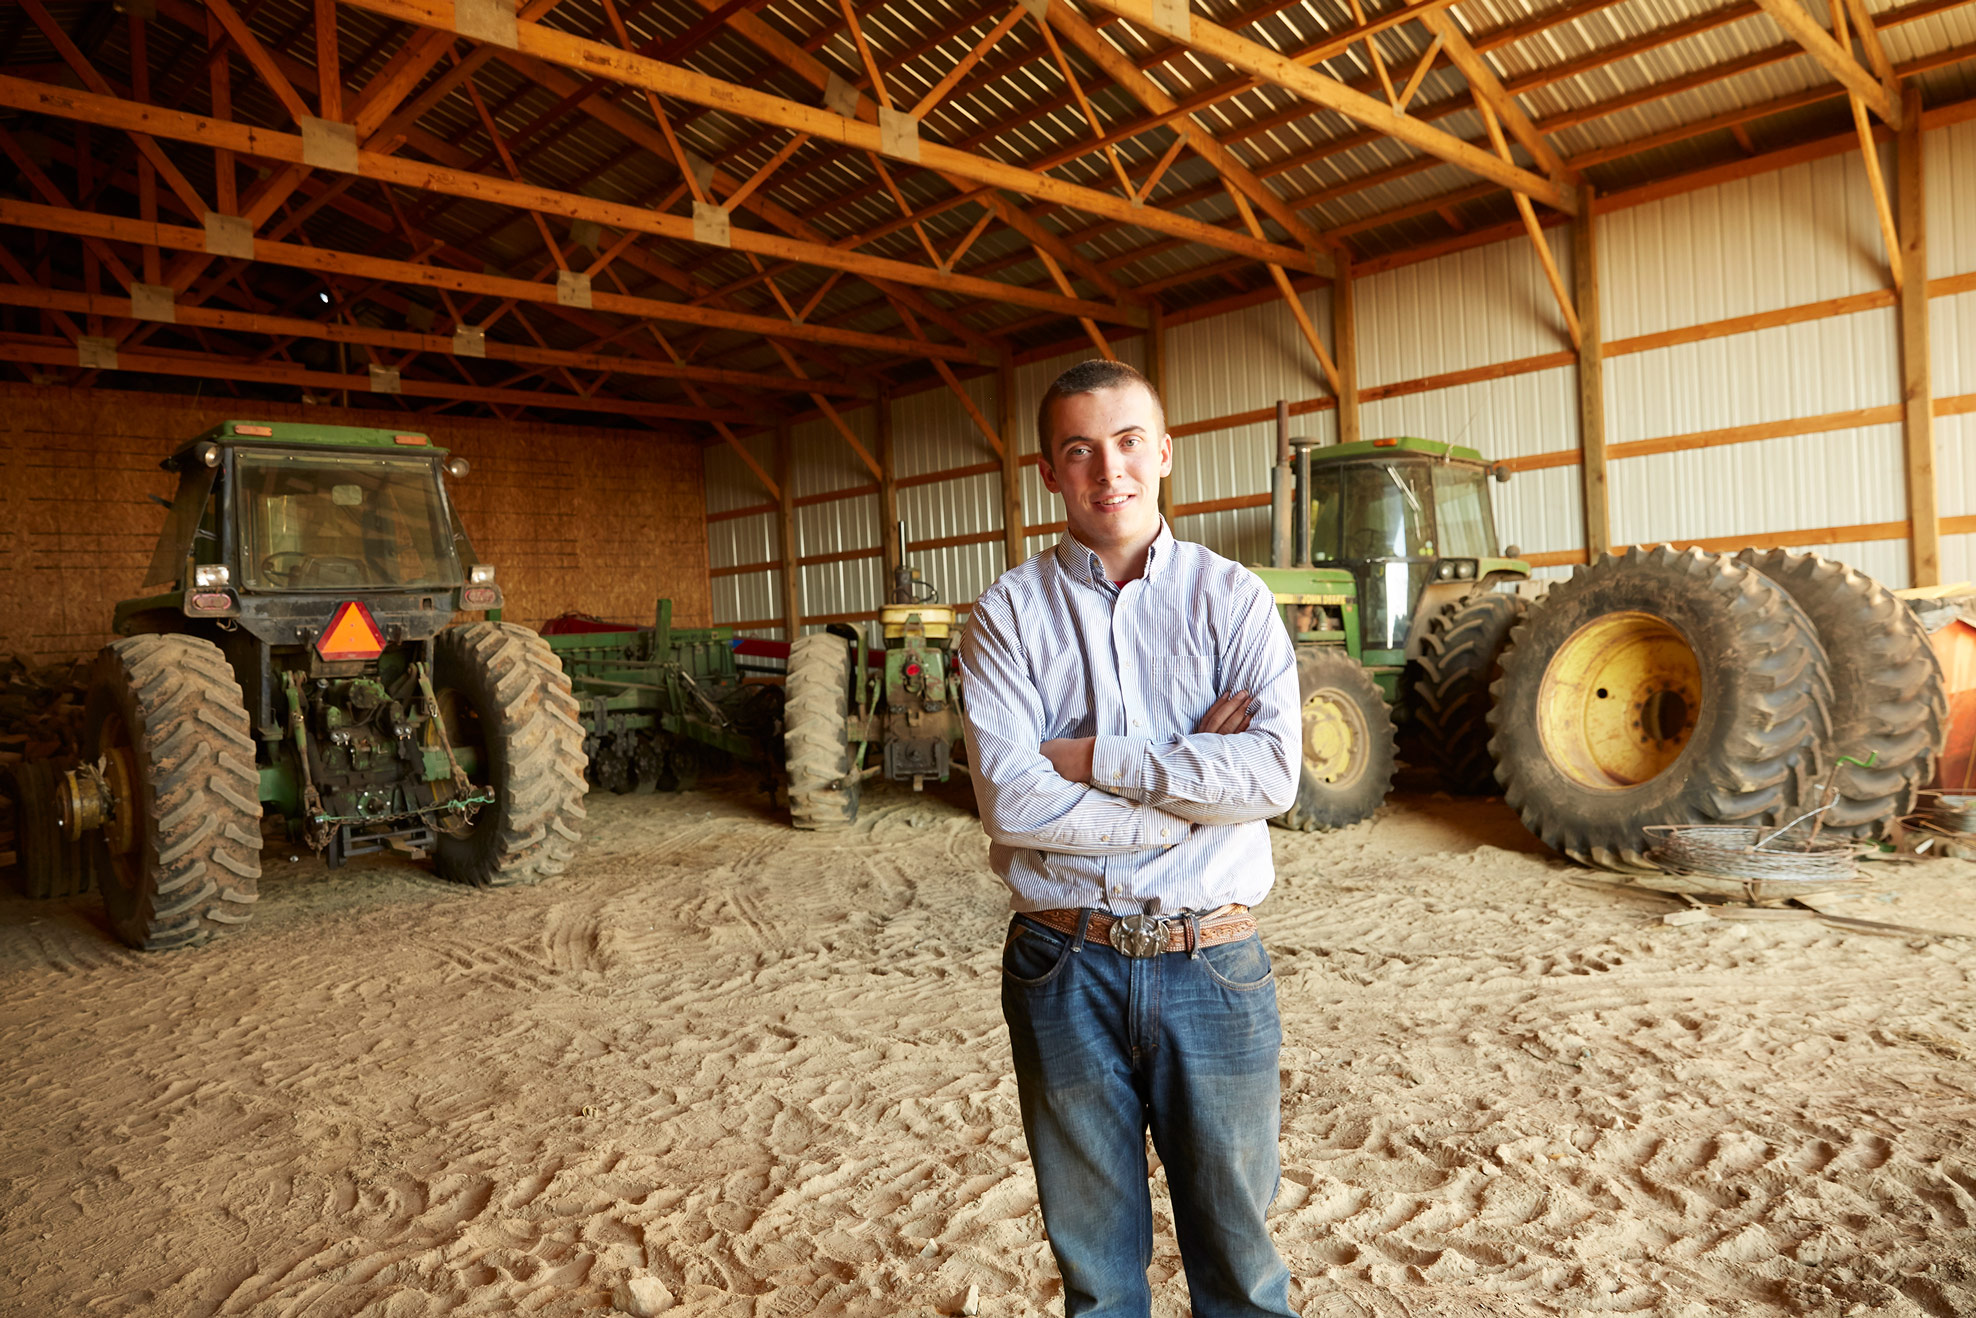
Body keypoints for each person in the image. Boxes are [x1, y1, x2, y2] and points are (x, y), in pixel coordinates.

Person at [958, 359, 1304, 1317]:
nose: (1106, 468)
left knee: (1241, 1264)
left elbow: (1271, 777)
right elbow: (1016, 808)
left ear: (1163, 452)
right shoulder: (1005, 618)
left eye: (1125, 442)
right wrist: (1195, 783)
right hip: (1063, 964)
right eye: (1079, 450)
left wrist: (1093, 758)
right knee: (1099, 1276)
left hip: (1216, 960)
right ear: (1050, 472)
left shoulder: (1233, 601)